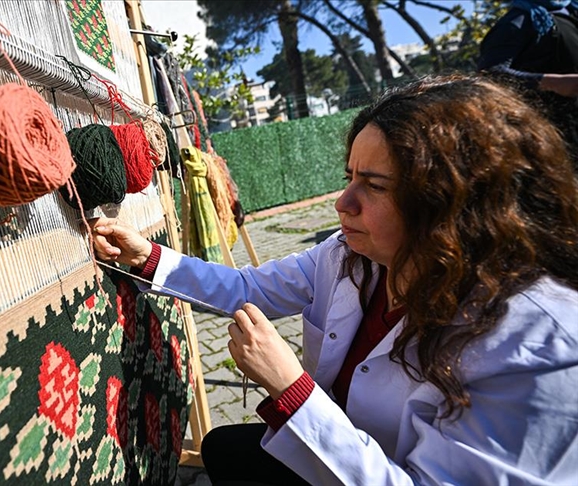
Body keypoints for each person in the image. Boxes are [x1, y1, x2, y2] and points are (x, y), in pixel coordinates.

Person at [88, 74, 578, 485]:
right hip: (338, 451)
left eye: (374, 185)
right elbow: (248, 289)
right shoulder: (352, 257)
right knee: (224, 448)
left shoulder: (538, 347)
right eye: (350, 178)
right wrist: (149, 257)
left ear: (452, 204)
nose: (343, 204)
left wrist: (290, 387)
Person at [478, 0, 578, 167]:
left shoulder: (571, 12)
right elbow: (490, 74)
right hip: (550, 131)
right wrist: (554, 83)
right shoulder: (516, 22)